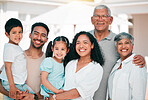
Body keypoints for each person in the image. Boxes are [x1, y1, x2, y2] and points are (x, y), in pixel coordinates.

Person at [89, 5, 146, 100]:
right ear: (92, 19)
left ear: (110, 20)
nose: (100, 19)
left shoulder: (117, 41)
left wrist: (141, 59)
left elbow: (129, 58)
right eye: (97, 16)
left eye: (104, 16)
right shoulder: (84, 39)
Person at [0, 22, 49, 100]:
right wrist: (15, 95)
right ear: (30, 35)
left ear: (46, 39)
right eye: (36, 33)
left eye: (43, 35)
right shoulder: (18, 56)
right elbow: (2, 80)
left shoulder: (48, 62)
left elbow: (49, 94)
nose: (39, 38)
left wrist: (34, 97)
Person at [48, 31, 104, 100]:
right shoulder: (71, 64)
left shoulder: (96, 68)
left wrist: (54, 97)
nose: (81, 46)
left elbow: (79, 92)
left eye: (85, 42)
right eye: (78, 43)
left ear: (92, 45)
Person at [0, 18, 34, 100]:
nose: (18, 35)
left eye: (20, 32)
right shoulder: (10, 48)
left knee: (31, 94)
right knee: (31, 95)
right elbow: (8, 68)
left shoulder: (15, 47)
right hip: (12, 83)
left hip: (18, 83)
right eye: (14, 33)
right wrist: (12, 86)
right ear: (7, 34)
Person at [108, 32, 147, 100]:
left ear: (132, 46)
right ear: (116, 47)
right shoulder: (117, 64)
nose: (123, 46)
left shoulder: (137, 65)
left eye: (127, 43)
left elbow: (139, 96)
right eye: (120, 43)